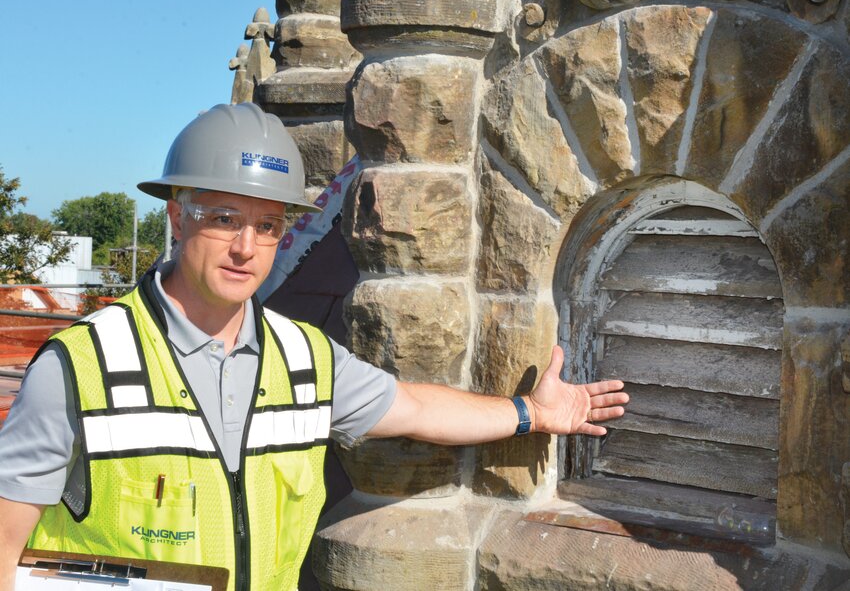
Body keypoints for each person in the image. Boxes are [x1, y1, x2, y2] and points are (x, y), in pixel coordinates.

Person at [0, 103, 628, 591]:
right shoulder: (81, 368)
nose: (246, 247)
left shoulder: (304, 361)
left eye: (268, 224)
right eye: (223, 218)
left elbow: (414, 408)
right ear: (177, 216)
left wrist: (534, 414)